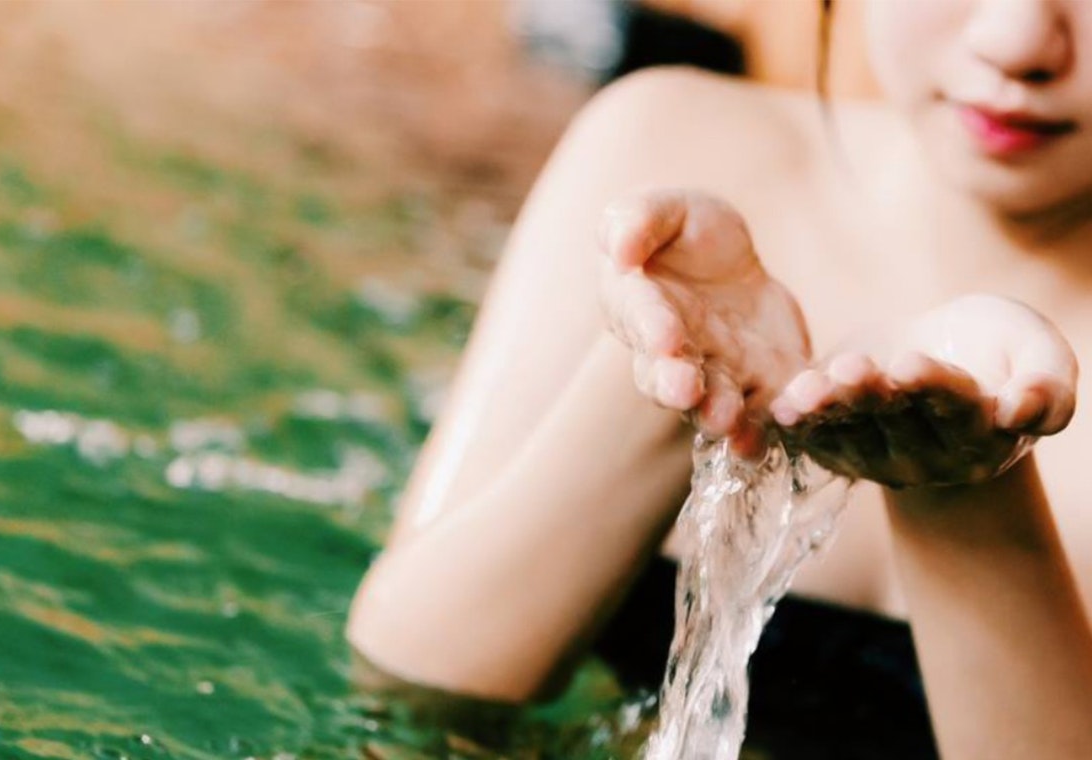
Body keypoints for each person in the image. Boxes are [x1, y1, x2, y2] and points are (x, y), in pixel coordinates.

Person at [347, 1, 1092, 758]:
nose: (1017, 40)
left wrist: (963, 488)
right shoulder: (670, 136)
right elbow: (403, 686)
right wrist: (677, 376)